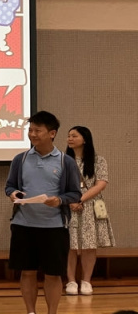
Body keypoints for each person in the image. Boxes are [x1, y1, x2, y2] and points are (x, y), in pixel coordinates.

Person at [5, 111, 81, 314]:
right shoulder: (20, 159)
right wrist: (13, 194)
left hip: (54, 227)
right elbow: (10, 186)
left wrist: (59, 200)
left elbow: (74, 193)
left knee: (53, 274)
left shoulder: (65, 162)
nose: (32, 134)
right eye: (30, 130)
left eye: (38, 130)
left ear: (52, 133)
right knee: (27, 272)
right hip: (24, 224)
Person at [65, 126, 115, 296]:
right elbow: (57, 183)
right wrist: (71, 200)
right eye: (69, 136)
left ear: (85, 139)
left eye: (74, 136)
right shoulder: (63, 160)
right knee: (70, 245)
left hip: (90, 205)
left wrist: (81, 199)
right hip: (69, 205)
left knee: (89, 245)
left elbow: (101, 184)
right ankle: (71, 281)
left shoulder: (98, 160)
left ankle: (86, 281)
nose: (70, 139)